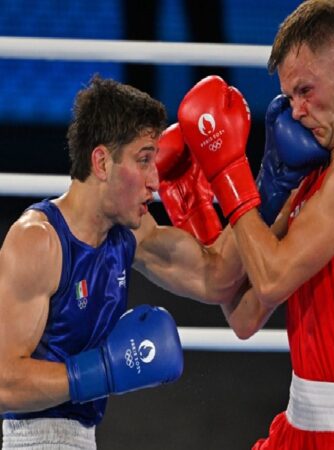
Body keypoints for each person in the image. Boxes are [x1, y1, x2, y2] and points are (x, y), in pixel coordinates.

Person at [174, 1, 334, 448]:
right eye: (289, 97)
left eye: (305, 90)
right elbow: (244, 315)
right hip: (297, 422)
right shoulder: (313, 174)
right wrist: (198, 209)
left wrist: (227, 173)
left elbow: (271, 280)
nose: (295, 111)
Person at [0, 75, 245, 449]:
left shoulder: (129, 233)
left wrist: (268, 185)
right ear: (101, 162)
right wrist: (102, 372)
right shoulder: (38, 241)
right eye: (144, 160)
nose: (155, 180)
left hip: (85, 438)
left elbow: (216, 278)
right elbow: (4, 382)